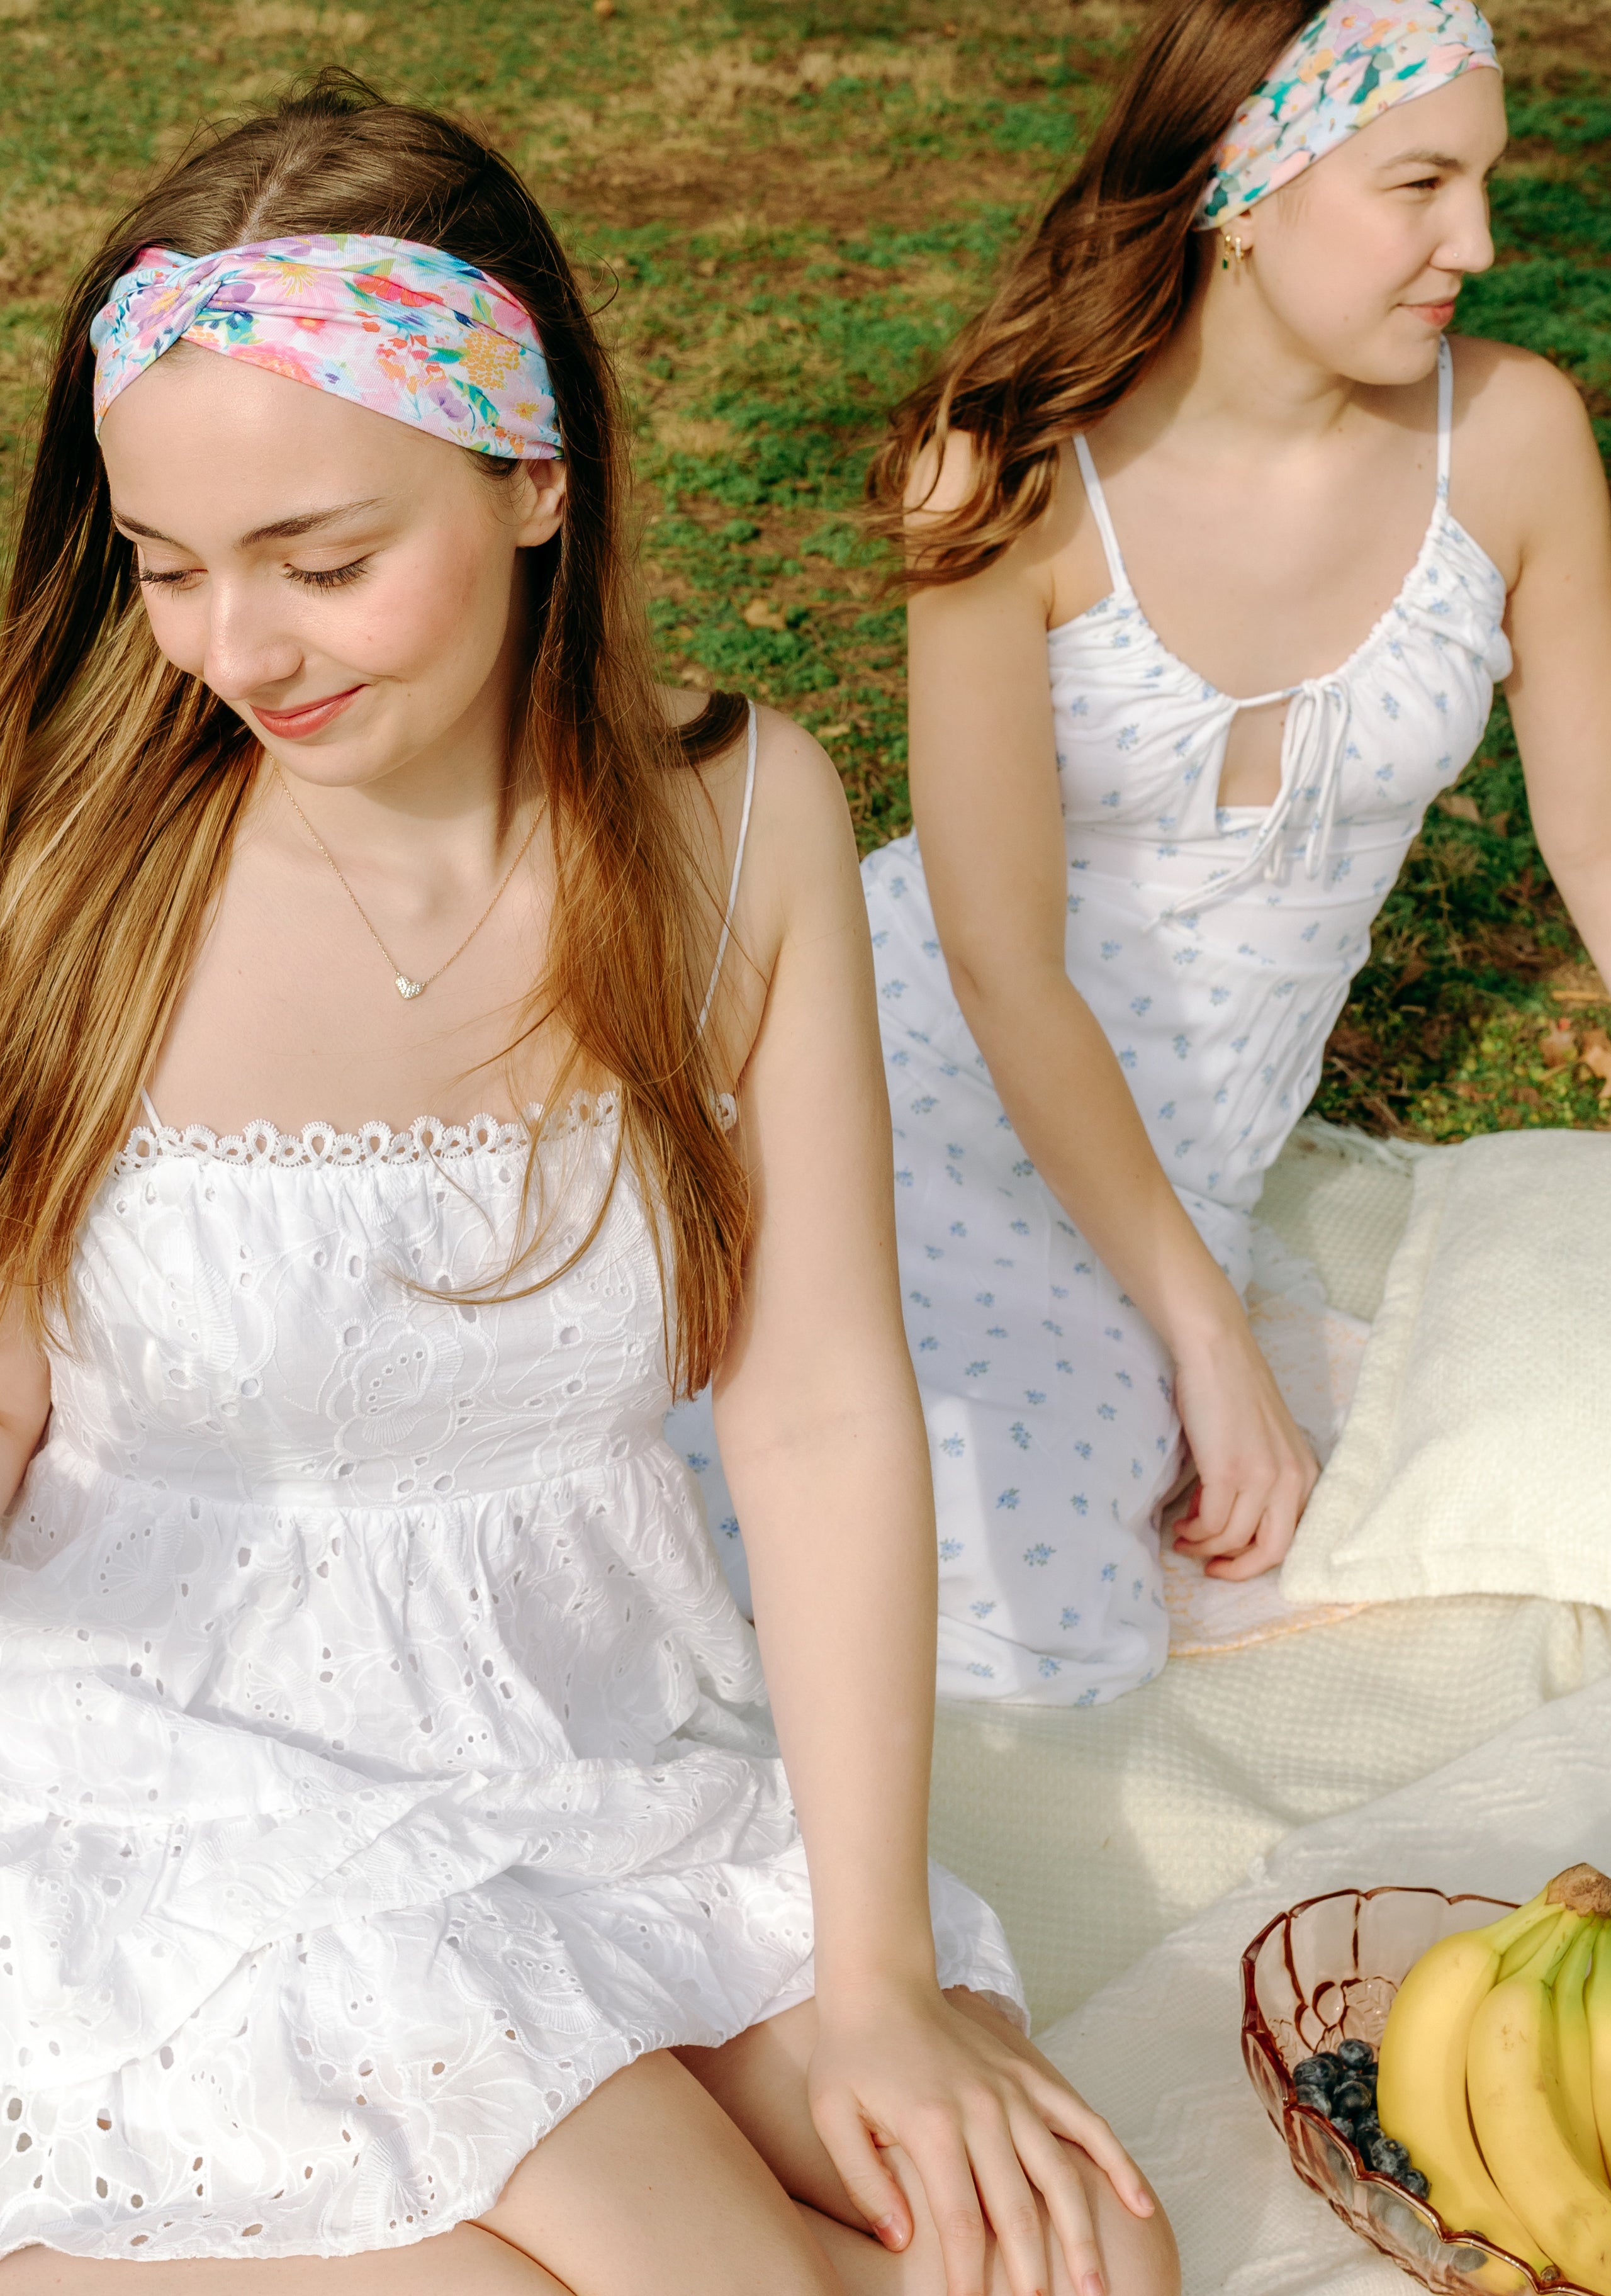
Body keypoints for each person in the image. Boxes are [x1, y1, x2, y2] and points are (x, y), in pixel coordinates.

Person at [0, 79, 1174, 2296]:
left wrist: (872, 1986)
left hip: (565, 1749)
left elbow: (820, 1403)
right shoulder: (64, 876)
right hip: (147, 1767)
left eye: (322, 562)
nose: (237, 651)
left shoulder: (741, 832)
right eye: (168, 568)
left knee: (1059, 2261)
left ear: (537, 476)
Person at [688, 0, 1611, 1706]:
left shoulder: (1517, 441)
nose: (1476, 243)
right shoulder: (1011, 472)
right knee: (788, 1513)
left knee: (1028, 1607)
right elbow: (996, 956)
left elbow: (1601, 837)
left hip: (1189, 1143)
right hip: (912, 1076)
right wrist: (1205, 1329)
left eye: (1486, 182)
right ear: (1246, 183)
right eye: (1421, 181)